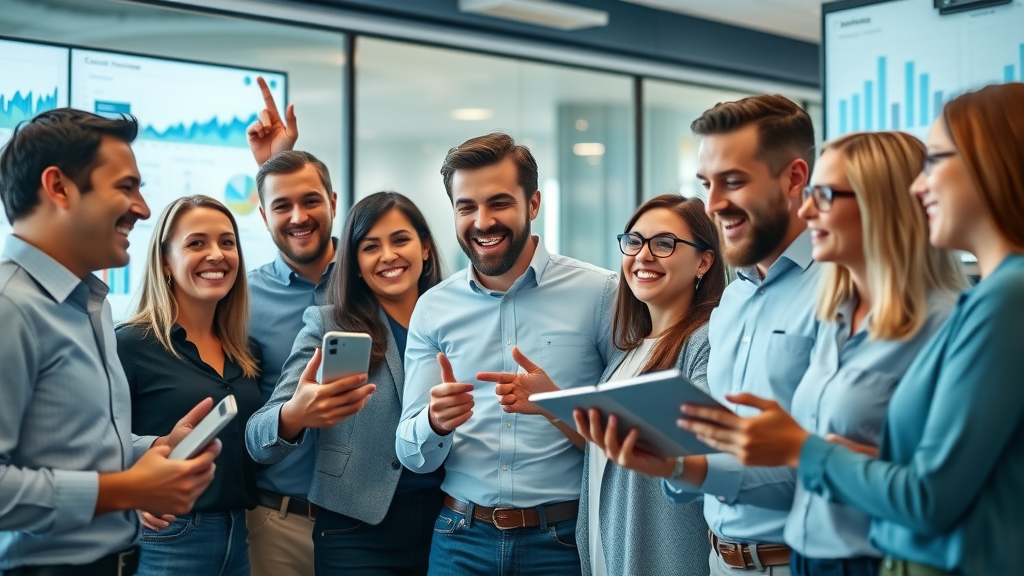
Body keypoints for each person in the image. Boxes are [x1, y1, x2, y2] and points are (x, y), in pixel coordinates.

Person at [681, 83, 1024, 576]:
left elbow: (929, 494)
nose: (921, 187)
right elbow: (897, 465)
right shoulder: (838, 312)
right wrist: (680, 465)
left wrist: (806, 448)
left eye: (939, 160)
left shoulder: (983, 306)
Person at [592, 95, 820, 576]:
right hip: (722, 560)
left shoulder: (837, 288)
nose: (714, 203)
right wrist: (676, 467)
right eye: (706, 183)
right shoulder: (735, 304)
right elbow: (724, 454)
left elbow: (840, 469)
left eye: (733, 182)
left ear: (795, 178)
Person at [0, 108, 219, 575]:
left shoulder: (89, 304)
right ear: (58, 187)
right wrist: (129, 489)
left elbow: (70, 446)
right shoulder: (9, 308)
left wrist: (154, 450)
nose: (142, 208)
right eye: (125, 187)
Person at [395, 133, 617, 575]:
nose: (482, 222)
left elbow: (626, 442)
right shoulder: (433, 307)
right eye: (466, 207)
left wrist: (555, 405)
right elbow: (411, 452)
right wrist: (435, 422)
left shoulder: (601, 293)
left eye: (499, 203)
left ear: (533, 204)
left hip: (562, 541)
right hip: (460, 539)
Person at [479, 194, 724, 576]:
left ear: (704, 262)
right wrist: (554, 405)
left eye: (664, 244)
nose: (643, 255)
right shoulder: (627, 353)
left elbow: (704, 453)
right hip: (607, 554)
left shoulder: (705, 340)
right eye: (634, 241)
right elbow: (606, 448)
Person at [247, 191, 446, 575]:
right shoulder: (328, 324)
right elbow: (258, 439)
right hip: (355, 529)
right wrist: (294, 415)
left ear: (425, 248)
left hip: (447, 521)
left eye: (400, 240)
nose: (388, 255)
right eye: (371, 246)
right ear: (354, 263)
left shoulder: (454, 321)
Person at [116, 195, 264, 576]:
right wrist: (131, 491)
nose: (216, 254)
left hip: (240, 536)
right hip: (168, 538)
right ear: (166, 261)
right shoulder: (130, 344)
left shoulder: (247, 351)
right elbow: (96, 442)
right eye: (196, 243)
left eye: (227, 242)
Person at [243, 77, 334, 576]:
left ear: (334, 202)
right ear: (262, 215)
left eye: (311, 201)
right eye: (281, 206)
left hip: (371, 529)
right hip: (278, 524)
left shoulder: (376, 282)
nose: (299, 216)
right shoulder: (242, 299)